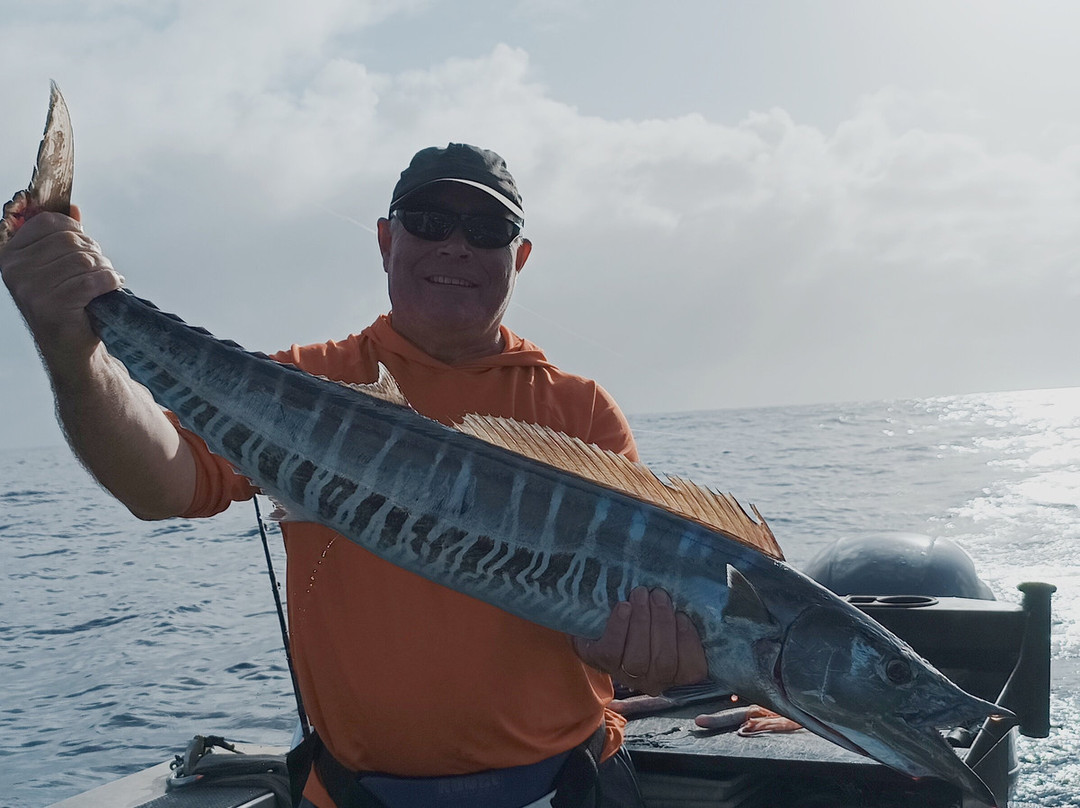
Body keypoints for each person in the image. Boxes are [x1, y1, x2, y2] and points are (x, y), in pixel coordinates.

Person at [1, 143, 708, 807]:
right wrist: (73, 350)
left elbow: (627, 611)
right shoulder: (306, 383)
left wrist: (645, 654)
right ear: (385, 241)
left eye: (486, 228)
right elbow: (163, 483)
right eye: (428, 222)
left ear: (518, 257)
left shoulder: (578, 410)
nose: (455, 244)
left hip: (561, 788)